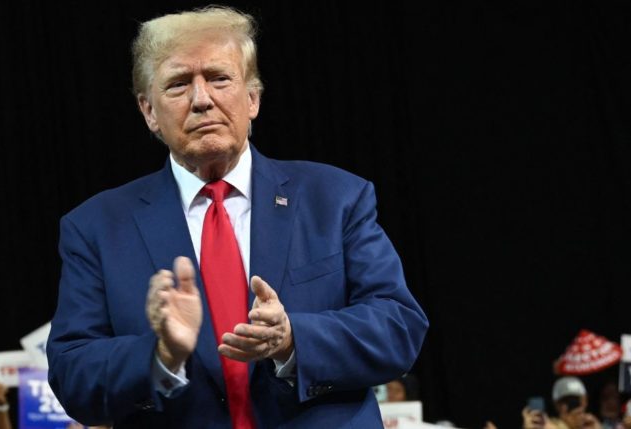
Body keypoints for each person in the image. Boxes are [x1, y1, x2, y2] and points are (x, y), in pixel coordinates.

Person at [46, 5, 428, 428]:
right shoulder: (95, 227)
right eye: (177, 85)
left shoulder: (335, 198)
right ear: (148, 111)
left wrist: (291, 339)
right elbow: (71, 373)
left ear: (252, 98)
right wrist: (160, 356)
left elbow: (399, 326)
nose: (201, 99)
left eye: (218, 78)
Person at [521, 376, 601, 429]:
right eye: (565, 401)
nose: (571, 407)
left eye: (576, 401)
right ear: (556, 405)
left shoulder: (593, 425)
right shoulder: (546, 425)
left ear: (585, 401)